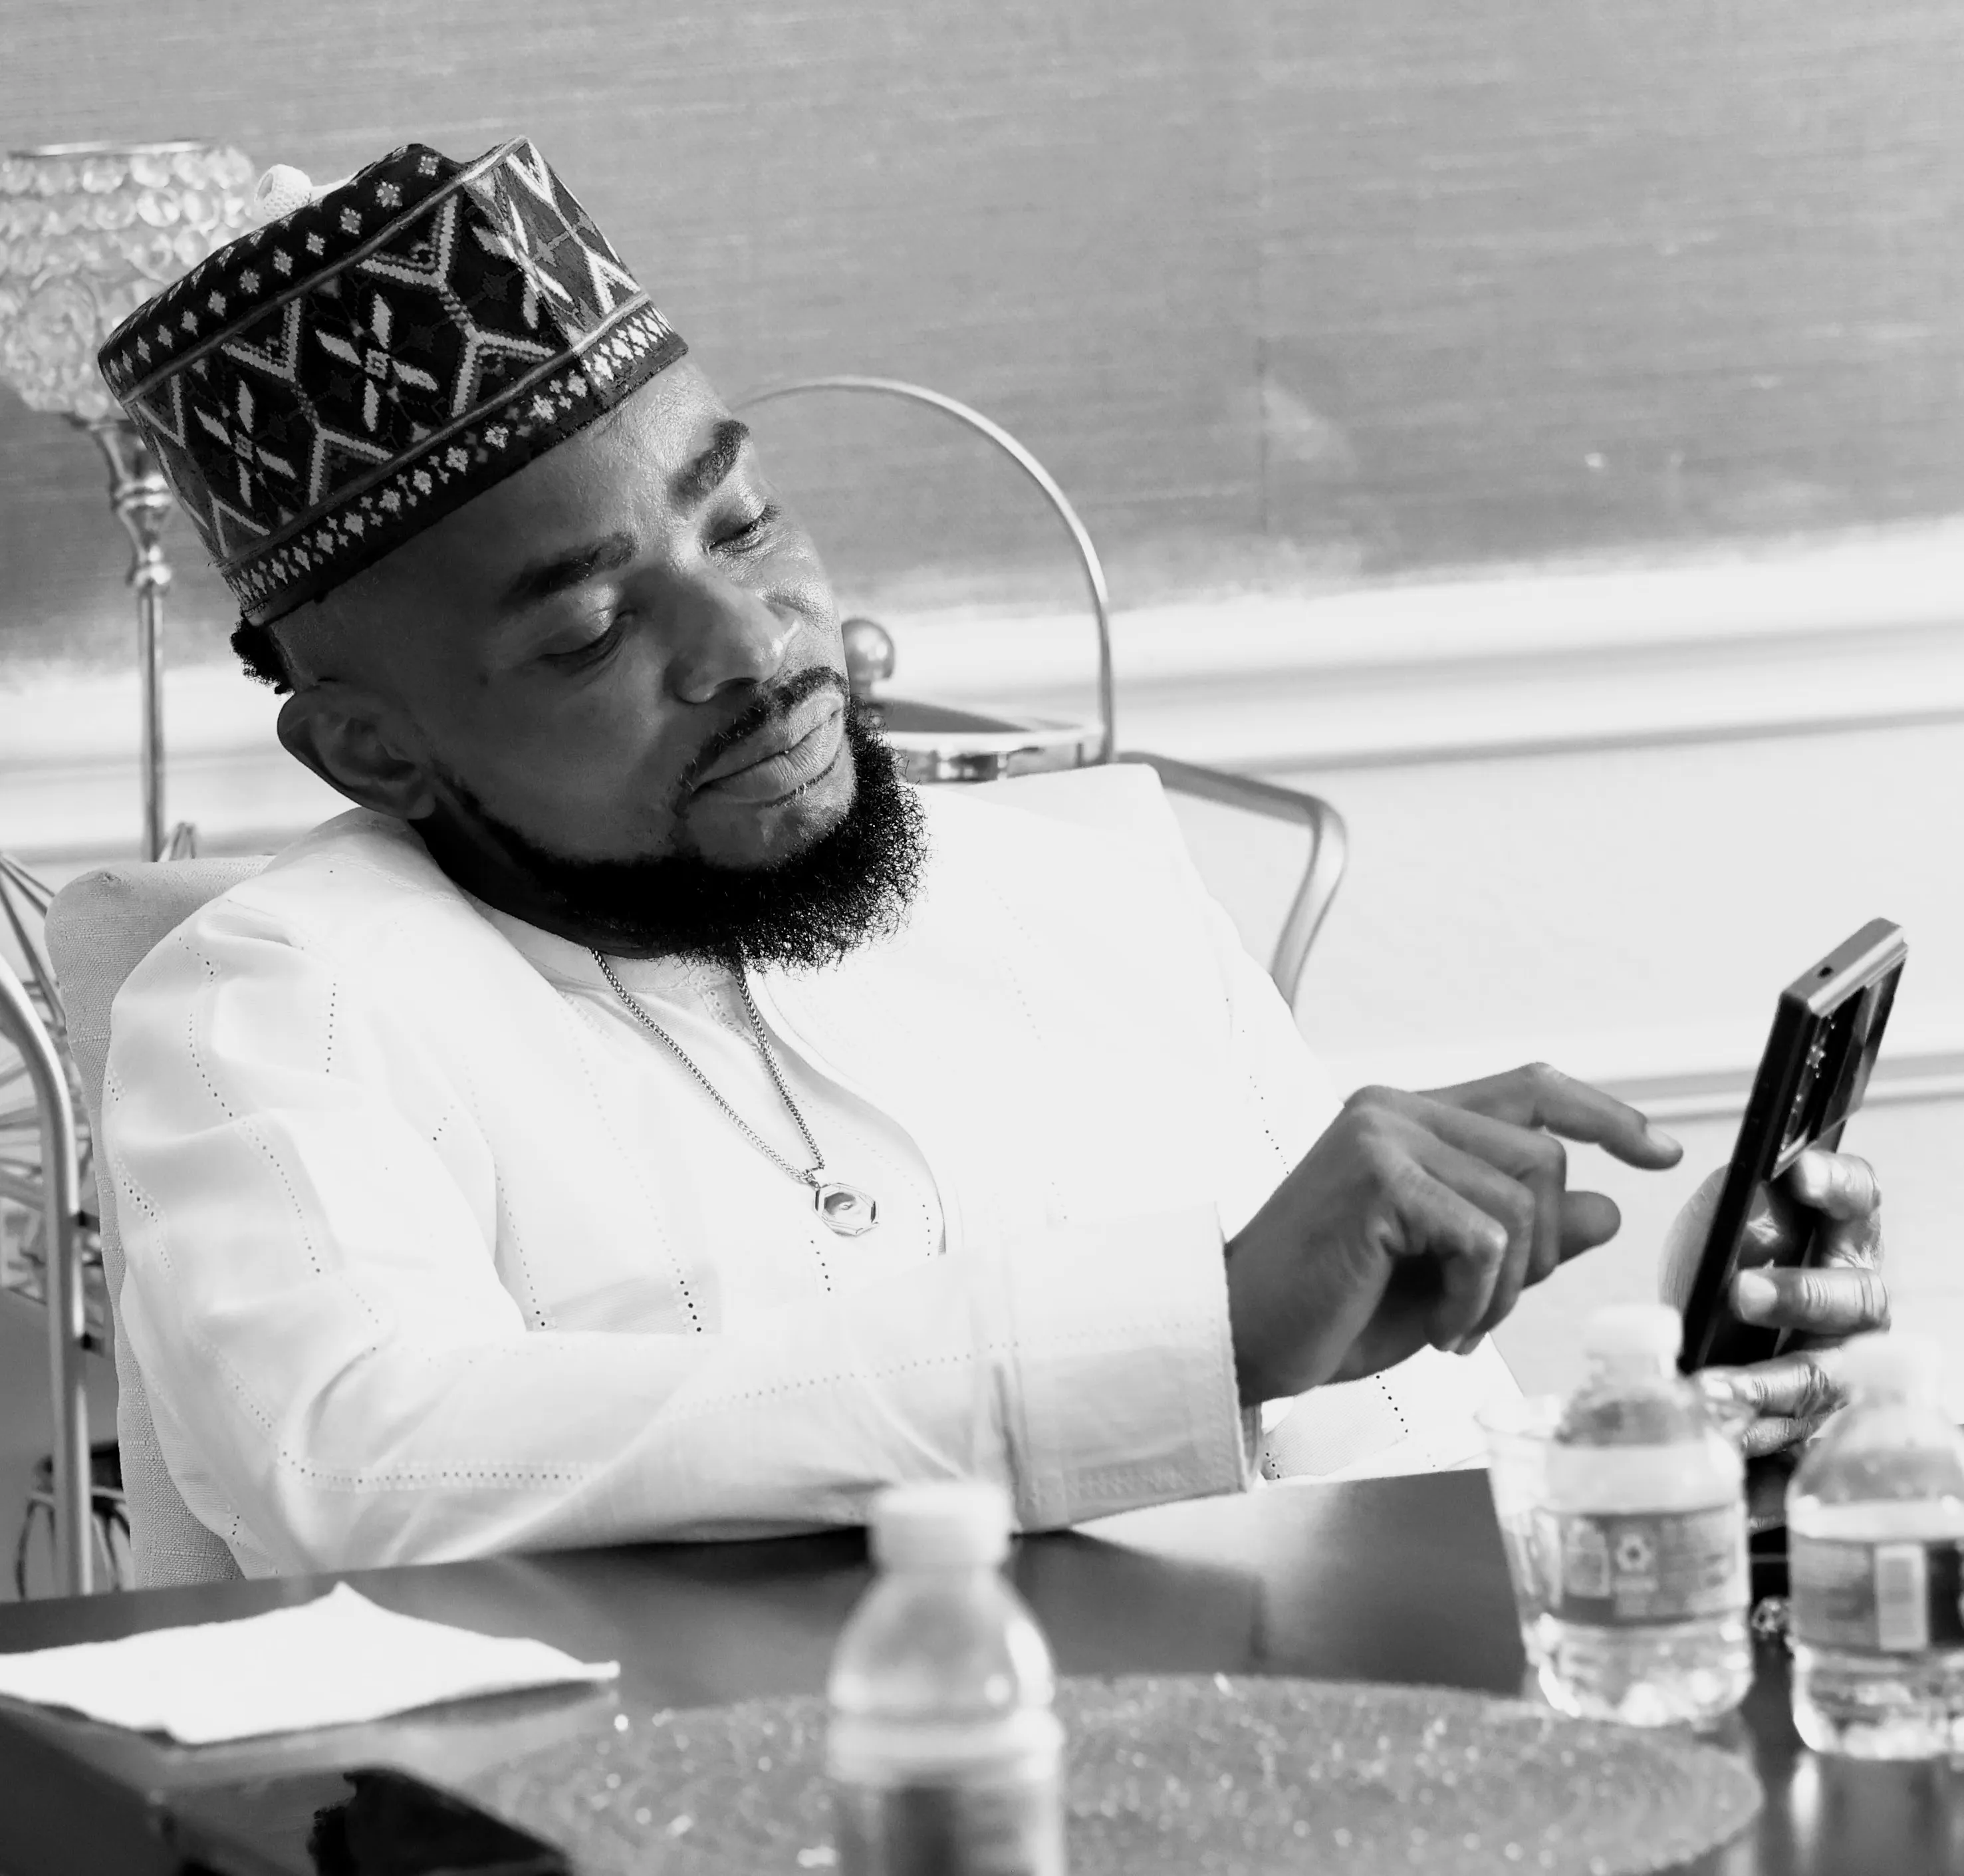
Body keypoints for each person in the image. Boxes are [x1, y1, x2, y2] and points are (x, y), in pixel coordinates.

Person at [92, 138, 1886, 1577]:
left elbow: (1420, 1490)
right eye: (584, 631)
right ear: (372, 743)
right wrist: (1194, 1336)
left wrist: (1693, 1452)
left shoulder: (1083, 893)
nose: (752, 637)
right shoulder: (272, 1012)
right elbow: (364, 1453)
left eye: (745, 517)